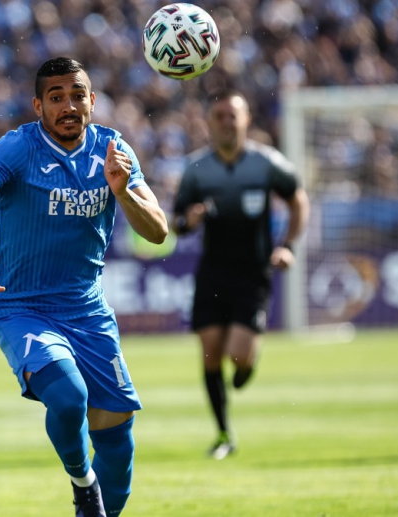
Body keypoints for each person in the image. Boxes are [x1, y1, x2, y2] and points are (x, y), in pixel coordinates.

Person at [0, 57, 169, 517]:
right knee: (68, 397)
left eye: (77, 96)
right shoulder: (18, 147)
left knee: (117, 444)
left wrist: (122, 191)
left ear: (92, 101)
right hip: (20, 306)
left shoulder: (114, 150)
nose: (69, 106)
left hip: (88, 311)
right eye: (57, 97)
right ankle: (83, 483)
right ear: (38, 105)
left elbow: (158, 230)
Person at [172, 89, 310, 460]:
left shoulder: (266, 163)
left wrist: (288, 246)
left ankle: (248, 363)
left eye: (232, 115)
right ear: (208, 122)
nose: (226, 123)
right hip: (213, 272)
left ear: (246, 119)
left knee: (238, 356)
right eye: (219, 116)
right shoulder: (196, 168)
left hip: (253, 272)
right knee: (210, 353)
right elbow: (177, 222)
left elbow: (298, 199)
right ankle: (223, 433)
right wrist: (189, 221)